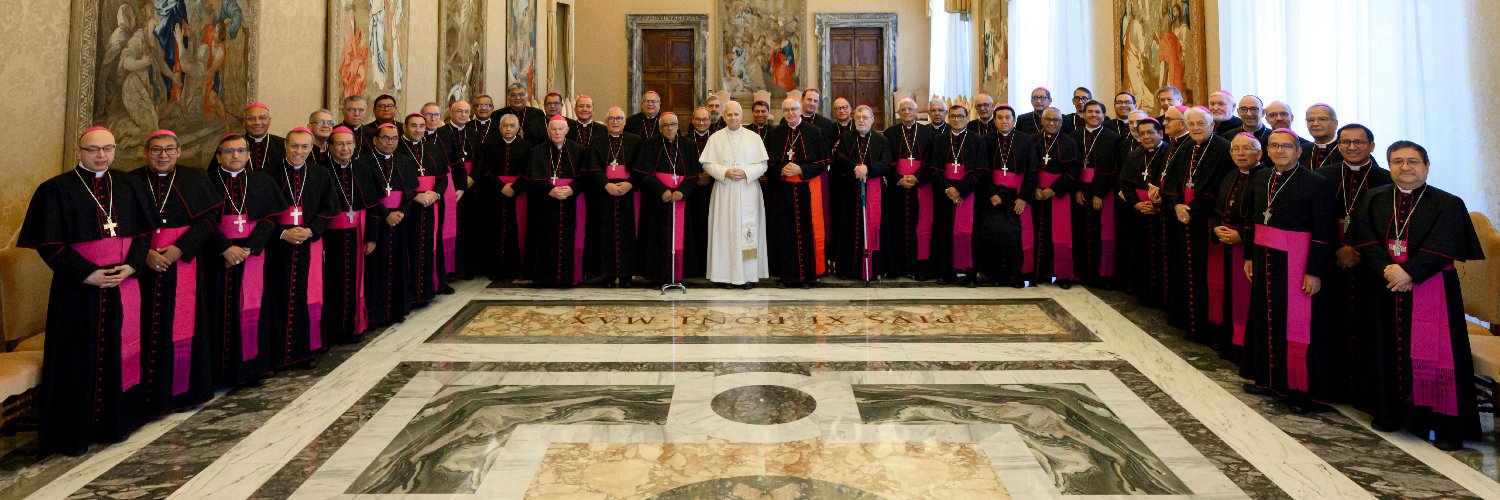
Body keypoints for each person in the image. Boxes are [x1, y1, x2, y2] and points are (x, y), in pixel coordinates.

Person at [18, 127, 157, 456]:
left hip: (124, 286)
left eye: (108, 148)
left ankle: (117, 422)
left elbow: (143, 235)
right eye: (93, 149)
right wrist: (87, 274)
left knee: (122, 353)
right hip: (78, 290)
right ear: (78, 151)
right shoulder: (56, 190)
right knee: (78, 355)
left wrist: (133, 266)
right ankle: (76, 431)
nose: (101, 155)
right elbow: (49, 244)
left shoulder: (128, 184)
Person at [1347, 140, 1485, 451]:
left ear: (1426, 166)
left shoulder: (1448, 203)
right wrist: (1389, 270)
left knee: (1438, 355)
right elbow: (1365, 239)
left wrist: (1409, 272)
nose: (1405, 167)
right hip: (1386, 288)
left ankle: (1444, 424)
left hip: (1431, 286)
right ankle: (1390, 413)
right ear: (1389, 165)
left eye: (1412, 161)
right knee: (1385, 348)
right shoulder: (1376, 197)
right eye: (1397, 161)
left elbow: (1445, 246)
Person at [1240, 128, 1338, 414]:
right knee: (1266, 318)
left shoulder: (1315, 183)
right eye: (1274, 146)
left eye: (1286, 146)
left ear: (1298, 151)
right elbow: (1251, 218)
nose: (1280, 151)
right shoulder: (1261, 177)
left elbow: (1323, 232)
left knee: (1299, 326)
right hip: (1264, 256)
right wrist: (1248, 256)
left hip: (1297, 262)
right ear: (1267, 151)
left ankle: (1302, 391)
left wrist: (1315, 271)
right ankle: (1270, 380)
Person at [130, 130, 220, 413]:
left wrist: (180, 248)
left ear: (179, 152)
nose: (163, 155)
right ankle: (144, 396)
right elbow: (122, 226)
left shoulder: (195, 178)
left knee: (184, 326)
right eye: (156, 150)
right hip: (143, 268)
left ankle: (183, 392)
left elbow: (209, 219)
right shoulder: (130, 182)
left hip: (183, 264)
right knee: (142, 329)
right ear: (146, 152)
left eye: (169, 149)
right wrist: (145, 254)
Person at [201, 134, 287, 388]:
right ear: (218, 157)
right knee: (219, 310)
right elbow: (203, 221)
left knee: (256, 308)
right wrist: (225, 249)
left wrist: (248, 248)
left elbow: (270, 218)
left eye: (240, 151)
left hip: (252, 257)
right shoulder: (207, 182)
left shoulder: (261, 181)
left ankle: (255, 367)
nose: (235, 156)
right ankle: (221, 370)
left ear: (249, 155)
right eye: (229, 152)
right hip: (218, 258)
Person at [1318, 123, 1391, 404]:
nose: (1352, 147)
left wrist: (1355, 248)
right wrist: (1338, 248)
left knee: (1368, 326)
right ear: (1338, 146)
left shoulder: (1386, 180)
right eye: (1345, 142)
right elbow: (1316, 219)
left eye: (1359, 142)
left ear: (1372, 146)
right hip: (1330, 260)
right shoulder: (1323, 176)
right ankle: (1332, 387)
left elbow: (1386, 225)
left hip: (1370, 264)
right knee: (1332, 324)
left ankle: (1366, 392)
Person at [260, 128, 337, 370]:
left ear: (311, 148)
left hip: (307, 245)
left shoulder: (320, 174)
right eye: (294, 146)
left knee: (305, 296)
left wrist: (311, 230)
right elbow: (261, 213)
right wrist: (282, 233)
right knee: (274, 299)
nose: (299, 152)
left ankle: (302, 353)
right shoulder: (267, 174)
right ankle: (275, 355)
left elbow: (330, 208)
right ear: (285, 147)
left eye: (305, 147)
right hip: (276, 248)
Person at [1161, 107, 1234, 340]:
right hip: (1183, 218)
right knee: (1186, 270)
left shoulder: (1223, 148)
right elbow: (1171, 181)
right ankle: (1188, 323)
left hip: (1207, 221)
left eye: (1200, 124)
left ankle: (1207, 327)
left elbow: (1221, 187)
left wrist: (1192, 211)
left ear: (1212, 125)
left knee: (1206, 274)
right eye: (1191, 124)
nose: (1195, 128)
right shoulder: (1185, 147)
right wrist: (1176, 206)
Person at [321, 127, 385, 344]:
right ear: (330, 147)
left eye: (349, 143)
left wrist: (372, 237)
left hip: (359, 235)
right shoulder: (321, 170)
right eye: (339, 144)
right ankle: (332, 330)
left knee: (359, 281)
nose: (345, 148)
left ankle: (356, 326)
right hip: (330, 239)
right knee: (331, 282)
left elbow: (374, 205)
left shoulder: (362, 168)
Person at [700, 101, 771, 288]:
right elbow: (707, 164)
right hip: (724, 191)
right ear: (724, 116)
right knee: (724, 231)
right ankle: (724, 276)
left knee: (748, 232)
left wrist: (746, 173)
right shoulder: (715, 138)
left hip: (748, 190)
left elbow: (763, 164)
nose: (733, 118)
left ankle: (748, 276)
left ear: (742, 116)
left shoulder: (753, 137)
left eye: (736, 114)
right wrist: (724, 172)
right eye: (729, 115)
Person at [1209, 133, 1266, 360]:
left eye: (1247, 149)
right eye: (1236, 149)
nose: (1241, 153)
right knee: (1230, 296)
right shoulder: (1230, 175)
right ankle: (1231, 342)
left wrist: (1241, 235)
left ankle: (1245, 348)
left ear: (1259, 153)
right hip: (1226, 245)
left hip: (1249, 248)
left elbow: (1262, 218)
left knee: (1247, 299)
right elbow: (1218, 208)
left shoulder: (1265, 178)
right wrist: (1216, 227)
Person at [764, 97, 831, 288]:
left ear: (800, 110)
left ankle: (808, 276)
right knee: (785, 232)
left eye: (793, 109)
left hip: (807, 190)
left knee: (807, 231)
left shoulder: (815, 132)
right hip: (783, 191)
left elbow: (823, 162)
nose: (790, 113)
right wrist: (781, 171)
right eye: (786, 110)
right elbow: (769, 163)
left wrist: (801, 170)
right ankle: (788, 277)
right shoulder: (775, 133)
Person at [522, 116, 595, 287]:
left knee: (569, 238)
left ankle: (566, 279)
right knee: (543, 239)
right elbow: (530, 180)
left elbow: (586, 177)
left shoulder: (579, 150)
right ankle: (542, 278)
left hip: (572, 201)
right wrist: (549, 190)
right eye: (553, 129)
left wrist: (572, 189)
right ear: (548, 131)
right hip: (545, 203)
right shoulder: (537, 151)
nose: (557, 132)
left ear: (567, 130)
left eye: (560, 129)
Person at [635, 112, 703, 285]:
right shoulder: (650, 144)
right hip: (657, 200)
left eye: (673, 124)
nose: (670, 128)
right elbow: (644, 174)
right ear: (660, 127)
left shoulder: (688, 145)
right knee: (656, 236)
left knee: (682, 236)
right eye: (665, 125)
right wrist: (661, 191)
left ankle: (679, 274)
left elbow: (694, 175)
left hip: (681, 199)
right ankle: (657, 275)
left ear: (678, 125)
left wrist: (682, 191)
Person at [363, 124, 421, 327]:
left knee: (398, 264)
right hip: (377, 222)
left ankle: (396, 309)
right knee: (376, 269)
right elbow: (366, 195)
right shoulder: (364, 163)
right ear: (375, 140)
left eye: (394, 138)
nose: (390, 143)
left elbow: (411, 192)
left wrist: (402, 212)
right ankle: (376, 313)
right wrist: (386, 214)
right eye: (386, 138)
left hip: (399, 221)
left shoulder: (404, 161)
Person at [926, 104, 989, 286]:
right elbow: (935, 169)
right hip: (945, 194)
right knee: (944, 232)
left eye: (960, 116)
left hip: (969, 194)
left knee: (970, 233)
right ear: (948, 117)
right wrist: (948, 189)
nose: (956, 119)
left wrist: (960, 190)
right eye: (953, 116)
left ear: (967, 118)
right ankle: (946, 272)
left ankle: (970, 274)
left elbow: (979, 170)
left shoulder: (977, 140)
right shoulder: (940, 140)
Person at [977, 104, 1039, 287]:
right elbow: (982, 170)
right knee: (993, 234)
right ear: (994, 120)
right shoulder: (986, 140)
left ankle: (1016, 275)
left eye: (1007, 118)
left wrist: (1024, 197)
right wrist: (991, 194)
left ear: (1014, 120)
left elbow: (1032, 171)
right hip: (993, 197)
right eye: (1000, 118)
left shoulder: (1025, 140)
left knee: (1016, 236)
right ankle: (995, 275)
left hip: (1016, 196)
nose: (1004, 121)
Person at [831, 105, 893, 282]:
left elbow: (887, 163)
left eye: (865, 117)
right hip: (849, 191)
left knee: (875, 227)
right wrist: (856, 169)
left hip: (875, 191)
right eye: (858, 117)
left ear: (872, 120)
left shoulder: (881, 140)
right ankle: (846, 268)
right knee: (848, 227)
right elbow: (840, 159)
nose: (861, 120)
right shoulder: (846, 138)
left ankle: (876, 268)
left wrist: (869, 169)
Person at [1117, 118, 1172, 305]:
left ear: (1161, 134)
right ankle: (1143, 291)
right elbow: (1125, 183)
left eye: (1151, 132)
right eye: (1142, 134)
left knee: (1161, 254)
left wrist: (1156, 204)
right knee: (1139, 252)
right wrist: (1136, 204)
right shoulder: (1135, 154)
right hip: (1138, 212)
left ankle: (1161, 295)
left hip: (1160, 214)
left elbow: (1171, 184)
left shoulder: (1169, 153)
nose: (1146, 137)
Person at [585, 107, 642, 287]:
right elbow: (592, 167)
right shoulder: (596, 141)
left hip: (629, 194)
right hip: (604, 194)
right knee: (604, 233)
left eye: (619, 118)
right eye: (611, 118)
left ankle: (626, 275)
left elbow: (641, 167)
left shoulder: (635, 140)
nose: (615, 122)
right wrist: (605, 184)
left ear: (625, 122)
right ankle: (607, 274)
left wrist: (630, 184)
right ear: (606, 121)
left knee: (627, 234)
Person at [471, 114, 531, 280]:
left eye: (512, 126)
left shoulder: (527, 147)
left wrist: (515, 188)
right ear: (499, 128)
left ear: (518, 128)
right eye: (505, 125)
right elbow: (486, 170)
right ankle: (494, 268)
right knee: (493, 230)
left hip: (518, 196)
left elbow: (528, 172)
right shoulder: (489, 147)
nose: (509, 129)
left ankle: (515, 268)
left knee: (516, 230)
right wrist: (500, 187)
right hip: (494, 195)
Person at [1071, 99, 1123, 288]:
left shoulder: (1112, 137)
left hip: (1103, 191)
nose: (1093, 115)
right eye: (1090, 112)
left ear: (1103, 115)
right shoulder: (1075, 136)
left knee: (1101, 233)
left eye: (1097, 112)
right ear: (1083, 114)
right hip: (1079, 190)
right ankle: (1082, 273)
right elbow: (1072, 166)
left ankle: (1103, 276)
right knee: (1081, 232)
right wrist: (1076, 189)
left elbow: (1110, 168)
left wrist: (1098, 194)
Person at [883, 97, 937, 281]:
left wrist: (917, 177)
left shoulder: (927, 133)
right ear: (898, 114)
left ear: (917, 111)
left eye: (910, 109)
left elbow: (931, 160)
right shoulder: (890, 133)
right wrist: (898, 179)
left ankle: (919, 267)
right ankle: (897, 267)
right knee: (897, 225)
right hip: (897, 189)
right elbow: (887, 161)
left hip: (921, 187)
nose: (906, 112)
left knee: (920, 226)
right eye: (903, 109)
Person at [1031, 107, 1083, 288]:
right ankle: (1040, 272)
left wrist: (1053, 190)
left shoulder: (1069, 142)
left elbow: (1074, 170)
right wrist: (1036, 187)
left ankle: (1063, 275)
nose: (1051, 123)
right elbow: (1029, 168)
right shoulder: (1033, 140)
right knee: (1038, 232)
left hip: (1060, 195)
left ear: (1061, 122)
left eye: (1055, 120)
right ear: (1041, 121)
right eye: (1048, 120)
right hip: (1036, 195)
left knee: (1061, 235)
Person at [399, 114, 449, 303]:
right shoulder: (398, 149)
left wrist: (436, 194)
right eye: (413, 126)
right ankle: (409, 294)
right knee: (409, 249)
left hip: (430, 206)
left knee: (428, 247)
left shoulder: (433, 149)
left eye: (421, 126)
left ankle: (427, 290)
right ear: (405, 126)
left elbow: (443, 177)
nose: (418, 130)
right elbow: (395, 180)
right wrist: (415, 196)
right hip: (408, 207)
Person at [423, 103, 464, 280]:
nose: (433, 119)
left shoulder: (447, 134)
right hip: (423, 190)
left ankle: (444, 274)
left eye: (436, 115)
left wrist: (462, 186)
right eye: (428, 115)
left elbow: (457, 163)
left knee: (445, 231)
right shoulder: (415, 135)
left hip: (445, 187)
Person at [210, 103, 283, 172]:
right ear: (243, 122)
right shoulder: (228, 144)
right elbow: (213, 175)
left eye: (262, 118)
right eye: (251, 118)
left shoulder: (283, 144)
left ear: (269, 121)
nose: (257, 122)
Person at [1301, 104, 1343, 168]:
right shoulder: (1300, 151)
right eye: (1310, 120)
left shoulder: (1346, 150)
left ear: (1335, 124)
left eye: (1322, 119)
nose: (1315, 124)